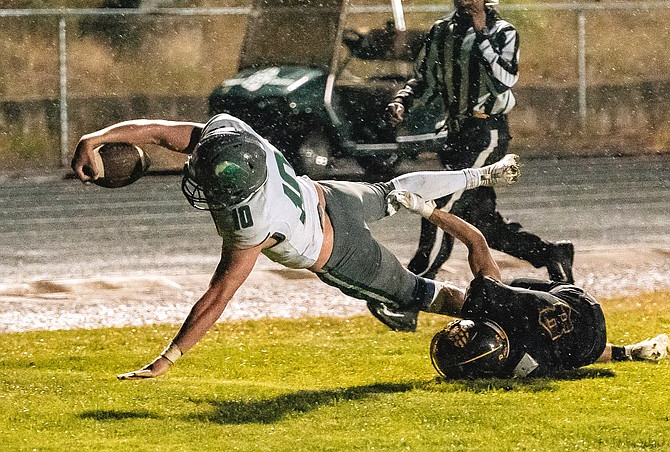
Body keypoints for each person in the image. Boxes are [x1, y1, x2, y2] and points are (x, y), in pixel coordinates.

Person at [70, 112, 521, 379]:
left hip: (341, 252)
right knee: (393, 190)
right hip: (329, 196)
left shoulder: (250, 221)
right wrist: (99, 139)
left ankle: (515, 323)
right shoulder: (234, 135)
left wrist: (166, 359)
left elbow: (217, 296)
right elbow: (155, 130)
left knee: (423, 295)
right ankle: (477, 174)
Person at [386, 0, 574, 283]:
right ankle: (550, 253)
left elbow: (504, 79)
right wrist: (402, 100)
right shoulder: (441, 31)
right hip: (456, 131)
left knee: (440, 202)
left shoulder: (504, 32)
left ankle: (415, 283)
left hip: (486, 131)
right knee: (484, 225)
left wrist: (482, 34)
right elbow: (424, 78)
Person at [389, 189, 669, 379]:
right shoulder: (496, 309)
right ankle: (557, 264)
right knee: (504, 289)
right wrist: (428, 210)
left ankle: (627, 352)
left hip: (588, 343)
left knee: (565, 347)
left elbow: (574, 358)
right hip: (577, 303)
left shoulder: (522, 366)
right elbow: (476, 240)